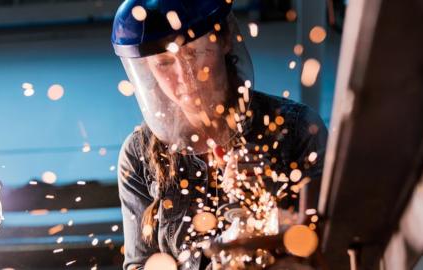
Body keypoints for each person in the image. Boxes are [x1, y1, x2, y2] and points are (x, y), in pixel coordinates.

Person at [111, 0, 328, 269]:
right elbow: (139, 265)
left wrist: (270, 203)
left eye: (193, 53)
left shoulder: (296, 128)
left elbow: (327, 248)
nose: (186, 76)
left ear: (225, 39)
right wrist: (212, 255)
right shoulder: (139, 154)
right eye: (165, 63)